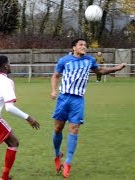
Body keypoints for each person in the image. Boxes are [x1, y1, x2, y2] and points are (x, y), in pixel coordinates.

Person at [50, 38, 126, 179]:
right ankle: (57, 155)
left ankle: (68, 163)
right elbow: (55, 76)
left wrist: (117, 68)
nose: (84, 47)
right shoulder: (64, 60)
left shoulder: (89, 60)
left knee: (74, 129)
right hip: (63, 98)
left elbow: (100, 70)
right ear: (74, 47)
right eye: (81, 45)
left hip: (78, 100)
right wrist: (54, 90)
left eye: (85, 45)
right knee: (57, 129)